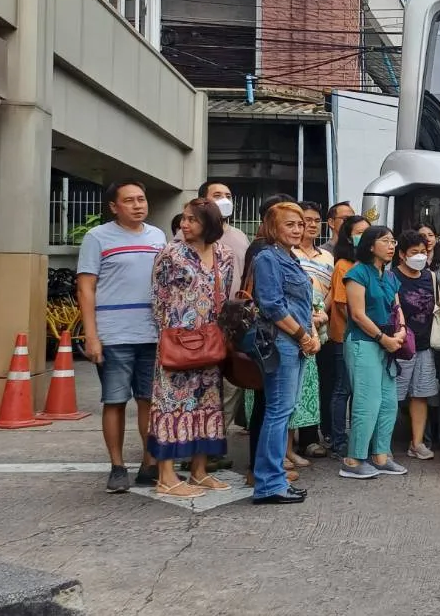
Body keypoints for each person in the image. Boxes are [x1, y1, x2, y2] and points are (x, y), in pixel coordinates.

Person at [76, 179, 168, 494]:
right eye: (129, 200)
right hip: (113, 334)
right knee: (114, 400)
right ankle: (117, 467)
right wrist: (92, 335)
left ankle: (148, 463)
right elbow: (86, 287)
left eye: (141, 199)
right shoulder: (97, 237)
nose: (138, 205)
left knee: (149, 400)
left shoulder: (158, 236)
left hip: (152, 332)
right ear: (114, 207)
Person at [147, 198, 235, 497]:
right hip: (178, 341)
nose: (184, 225)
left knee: (207, 405)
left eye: (191, 220)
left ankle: (199, 472)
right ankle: (166, 477)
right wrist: (170, 333)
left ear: (209, 223)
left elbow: (223, 297)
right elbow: (158, 297)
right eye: (183, 219)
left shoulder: (224, 254)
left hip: (209, 342)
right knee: (171, 404)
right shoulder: (171, 252)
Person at [248, 202, 318, 504]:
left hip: (297, 342)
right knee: (278, 411)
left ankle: (273, 479)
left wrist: (311, 334)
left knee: (284, 411)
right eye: (290, 224)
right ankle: (268, 483)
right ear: (273, 227)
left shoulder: (292, 258)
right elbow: (272, 305)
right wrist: (303, 336)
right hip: (281, 343)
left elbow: (303, 305)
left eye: (300, 224)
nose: (298, 229)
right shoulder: (267, 257)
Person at [341, 226, 408, 480]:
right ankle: (353, 459)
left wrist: (400, 331)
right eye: (385, 241)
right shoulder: (357, 273)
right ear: (370, 246)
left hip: (388, 341)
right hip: (363, 342)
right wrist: (383, 338)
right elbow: (357, 314)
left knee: (389, 402)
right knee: (367, 402)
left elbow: (397, 307)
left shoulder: (390, 277)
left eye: (393, 241)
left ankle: (381, 455)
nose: (391, 245)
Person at [325, 215, 371, 458]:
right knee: (343, 389)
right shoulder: (344, 264)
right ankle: (338, 439)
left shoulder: (369, 264)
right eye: (359, 231)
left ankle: (355, 437)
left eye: (368, 231)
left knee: (358, 390)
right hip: (345, 335)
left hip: (364, 336)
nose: (364, 235)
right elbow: (342, 304)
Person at [291, 202, 333, 461]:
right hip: (294, 326)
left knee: (314, 385)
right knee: (292, 385)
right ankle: (287, 443)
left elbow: (330, 292)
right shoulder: (288, 253)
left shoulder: (327, 257)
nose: (312, 224)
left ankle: (309, 439)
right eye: (307, 219)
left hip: (321, 326)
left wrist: (321, 314)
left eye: (317, 220)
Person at [394, 230, 440, 461]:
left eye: (423, 252)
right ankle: (381, 444)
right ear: (402, 254)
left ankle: (417, 443)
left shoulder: (429, 276)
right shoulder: (392, 277)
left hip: (424, 345)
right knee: (393, 396)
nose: (420, 257)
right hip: (400, 346)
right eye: (414, 253)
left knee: (421, 395)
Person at [200, 181, 252, 298]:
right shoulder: (189, 234)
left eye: (228, 197)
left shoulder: (240, 236)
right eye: (217, 196)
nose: (225, 200)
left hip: (233, 310)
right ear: (202, 201)